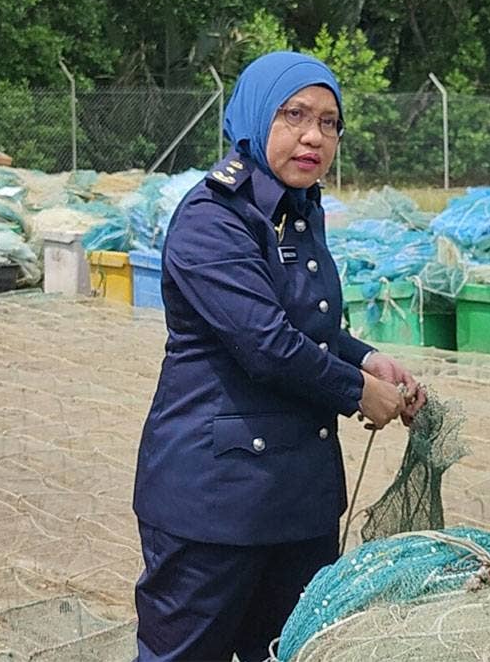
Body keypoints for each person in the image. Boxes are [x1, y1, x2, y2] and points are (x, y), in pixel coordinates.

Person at [132, 51, 426, 662]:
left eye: (330, 122)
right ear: (256, 117)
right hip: (214, 506)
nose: (314, 136)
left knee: (294, 653)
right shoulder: (213, 217)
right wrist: (355, 391)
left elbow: (310, 328)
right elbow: (267, 344)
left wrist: (367, 360)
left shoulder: (299, 209)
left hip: (297, 503)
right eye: (294, 115)